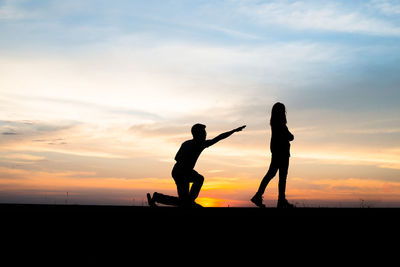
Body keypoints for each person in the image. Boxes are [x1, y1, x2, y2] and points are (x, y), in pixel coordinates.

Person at [147, 123, 246, 207]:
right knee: (192, 191)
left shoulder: (189, 143)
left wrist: (233, 131)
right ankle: (188, 202)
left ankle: (159, 197)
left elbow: (177, 157)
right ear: (198, 134)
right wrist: (234, 131)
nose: (205, 134)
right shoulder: (197, 144)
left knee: (186, 198)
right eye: (203, 132)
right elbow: (218, 138)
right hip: (181, 172)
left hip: (180, 170)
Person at [251, 102, 295, 208]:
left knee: (271, 174)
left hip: (277, 152)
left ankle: (260, 196)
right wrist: (291, 135)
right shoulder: (281, 124)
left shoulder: (275, 123)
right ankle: (280, 201)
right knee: (281, 177)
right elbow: (290, 137)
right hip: (282, 152)